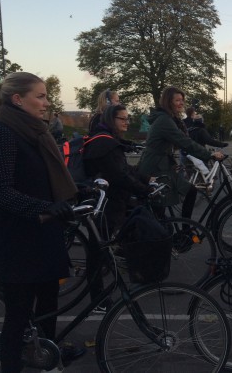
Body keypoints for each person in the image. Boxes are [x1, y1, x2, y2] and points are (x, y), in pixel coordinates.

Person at [0, 72, 85, 372]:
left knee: (48, 309)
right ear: (18, 99)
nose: (47, 103)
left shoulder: (36, 131)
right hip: (19, 238)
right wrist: (46, 206)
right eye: (41, 96)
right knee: (18, 317)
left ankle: (47, 359)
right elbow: (2, 191)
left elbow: (47, 178)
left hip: (45, 232)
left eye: (46, 96)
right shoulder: (4, 131)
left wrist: (77, 191)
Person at [83, 104, 152, 312]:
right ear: (111, 120)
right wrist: (144, 190)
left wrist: (146, 179)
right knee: (98, 252)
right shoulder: (105, 143)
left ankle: (103, 292)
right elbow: (119, 176)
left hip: (108, 201)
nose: (126, 122)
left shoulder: (107, 140)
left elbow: (124, 169)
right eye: (122, 119)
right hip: (105, 204)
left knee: (102, 250)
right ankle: (98, 300)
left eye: (127, 118)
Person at [137, 86, 224, 218]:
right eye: (177, 100)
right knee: (159, 206)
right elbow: (185, 142)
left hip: (161, 165)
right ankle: (184, 230)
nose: (181, 103)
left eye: (182, 100)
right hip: (155, 168)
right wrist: (209, 154)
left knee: (163, 206)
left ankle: (181, 230)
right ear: (168, 102)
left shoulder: (168, 118)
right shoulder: (164, 121)